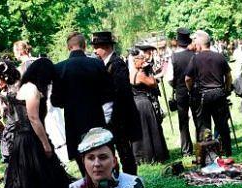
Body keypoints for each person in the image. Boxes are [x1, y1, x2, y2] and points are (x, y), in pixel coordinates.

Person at [0, 58, 71, 188]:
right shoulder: (33, 89)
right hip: (31, 140)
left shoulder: (24, 86)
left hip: (22, 140)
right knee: (39, 181)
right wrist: (46, 144)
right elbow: (34, 119)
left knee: (26, 182)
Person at [52, 32, 116, 175]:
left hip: (73, 121)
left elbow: (55, 100)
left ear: (68, 47)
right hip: (96, 117)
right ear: (85, 45)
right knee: (102, 154)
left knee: (83, 160)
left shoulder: (59, 68)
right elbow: (108, 93)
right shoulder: (97, 63)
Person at [93, 31, 142, 175]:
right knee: (112, 152)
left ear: (106, 47)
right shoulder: (104, 64)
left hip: (120, 117)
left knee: (125, 153)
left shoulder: (117, 64)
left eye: (97, 47)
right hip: (111, 117)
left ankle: (131, 180)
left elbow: (122, 94)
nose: (95, 50)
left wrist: (114, 118)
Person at [185, 31, 233, 156]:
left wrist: (191, 90)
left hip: (203, 95)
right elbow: (228, 75)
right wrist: (227, 89)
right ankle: (228, 151)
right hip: (219, 93)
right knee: (222, 124)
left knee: (205, 127)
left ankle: (209, 154)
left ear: (200, 45)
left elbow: (187, 79)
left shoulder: (195, 58)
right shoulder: (219, 56)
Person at [129, 46, 169, 163]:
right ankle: (154, 154)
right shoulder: (139, 74)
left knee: (143, 129)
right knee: (150, 129)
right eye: (141, 59)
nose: (143, 61)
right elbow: (152, 83)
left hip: (137, 103)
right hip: (144, 104)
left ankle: (144, 156)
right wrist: (148, 70)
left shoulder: (131, 73)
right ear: (135, 61)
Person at [165, 28, 197, 156]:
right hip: (194, 90)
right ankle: (202, 145)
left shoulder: (173, 57)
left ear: (178, 42)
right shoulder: (194, 55)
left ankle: (186, 150)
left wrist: (177, 86)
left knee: (183, 122)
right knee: (198, 119)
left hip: (181, 92)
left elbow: (169, 79)